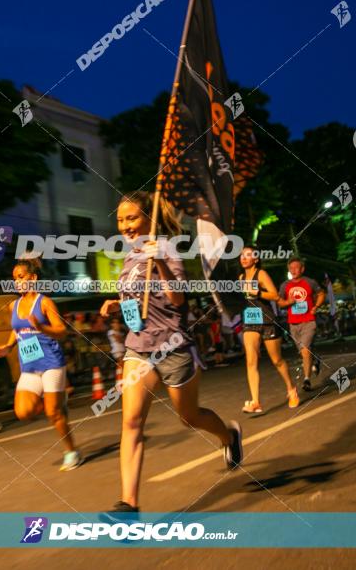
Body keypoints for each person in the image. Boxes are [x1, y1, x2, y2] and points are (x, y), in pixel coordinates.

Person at [100, 191, 242, 515]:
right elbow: (138, 301)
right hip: (138, 349)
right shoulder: (130, 256)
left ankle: (229, 436)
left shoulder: (166, 249)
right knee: (131, 423)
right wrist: (116, 304)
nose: (125, 226)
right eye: (121, 220)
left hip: (173, 347)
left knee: (189, 418)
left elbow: (177, 300)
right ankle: (129, 505)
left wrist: (160, 261)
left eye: (132, 218)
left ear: (148, 218)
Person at [0, 259, 83, 471]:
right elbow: (17, 329)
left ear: (33, 278)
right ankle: (55, 402)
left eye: (20, 277)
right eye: (14, 279)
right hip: (30, 364)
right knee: (23, 412)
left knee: (53, 414)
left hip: (51, 362)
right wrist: (8, 347)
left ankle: (72, 452)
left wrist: (41, 327)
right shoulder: (14, 305)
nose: (16, 282)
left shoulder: (45, 303)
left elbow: (61, 330)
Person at [238, 246, 299, 413]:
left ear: (256, 259)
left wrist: (257, 291)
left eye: (248, 255)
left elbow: (275, 295)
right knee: (250, 360)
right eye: (242, 255)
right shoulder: (241, 277)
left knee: (277, 360)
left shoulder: (261, 274)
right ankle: (256, 401)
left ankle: (291, 388)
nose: (244, 258)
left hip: (267, 320)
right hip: (250, 321)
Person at [278, 258, 326, 392]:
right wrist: (289, 302)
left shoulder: (310, 282)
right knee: (304, 352)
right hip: (293, 324)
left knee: (305, 350)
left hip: (308, 321)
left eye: (296, 267)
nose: (293, 270)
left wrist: (316, 306)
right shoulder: (284, 286)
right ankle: (315, 359)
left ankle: (306, 380)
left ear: (302, 269)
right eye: (291, 268)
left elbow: (321, 293)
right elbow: (280, 302)